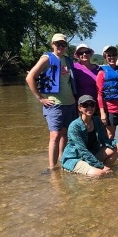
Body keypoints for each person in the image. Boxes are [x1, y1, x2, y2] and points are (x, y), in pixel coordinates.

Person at [25, 33, 77, 172]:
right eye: (57, 44)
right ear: (52, 45)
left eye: (63, 44)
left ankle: (62, 161)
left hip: (70, 103)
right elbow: (30, 77)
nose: (60, 46)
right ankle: (52, 168)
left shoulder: (67, 60)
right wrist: (40, 98)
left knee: (65, 134)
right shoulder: (46, 58)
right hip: (55, 104)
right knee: (54, 136)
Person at [61, 95, 118, 177]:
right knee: (99, 174)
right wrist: (101, 166)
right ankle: (97, 171)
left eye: (92, 105)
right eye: (85, 105)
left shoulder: (97, 120)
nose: (89, 107)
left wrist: (117, 142)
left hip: (91, 154)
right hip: (75, 158)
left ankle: (106, 171)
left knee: (116, 149)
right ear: (80, 108)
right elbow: (82, 150)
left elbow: (104, 140)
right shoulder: (74, 126)